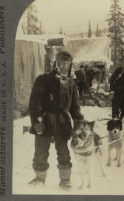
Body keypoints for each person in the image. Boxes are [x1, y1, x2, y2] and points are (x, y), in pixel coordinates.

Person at [28, 51, 84, 191]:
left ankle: (65, 180)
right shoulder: (43, 79)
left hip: (63, 123)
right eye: (61, 62)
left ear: (70, 65)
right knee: (40, 152)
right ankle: (39, 177)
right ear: (56, 63)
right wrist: (37, 122)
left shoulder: (71, 83)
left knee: (64, 153)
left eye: (67, 62)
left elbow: (75, 107)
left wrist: (80, 123)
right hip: (45, 121)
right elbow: (35, 103)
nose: (64, 65)